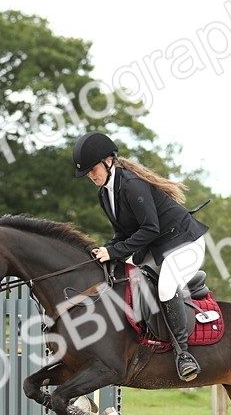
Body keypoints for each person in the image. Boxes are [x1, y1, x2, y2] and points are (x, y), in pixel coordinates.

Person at [73, 131, 209, 381]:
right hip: (157, 249)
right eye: (87, 172)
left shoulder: (132, 185)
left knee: (166, 287)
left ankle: (183, 354)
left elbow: (150, 229)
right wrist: (104, 251)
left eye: (93, 169)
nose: (91, 175)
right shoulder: (105, 193)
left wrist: (113, 251)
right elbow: (122, 233)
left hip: (185, 244)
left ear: (108, 161)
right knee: (123, 276)